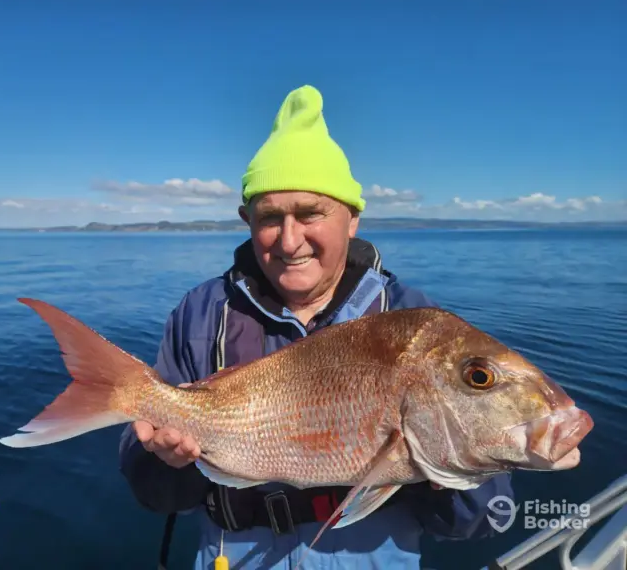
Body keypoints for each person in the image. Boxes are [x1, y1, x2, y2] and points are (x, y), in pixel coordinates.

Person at [119, 85, 514, 569]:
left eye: (311, 214)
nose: (289, 240)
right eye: (269, 217)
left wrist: (441, 465)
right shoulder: (203, 313)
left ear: (351, 218)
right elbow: (155, 494)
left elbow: (479, 520)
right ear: (246, 220)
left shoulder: (415, 325)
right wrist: (165, 460)